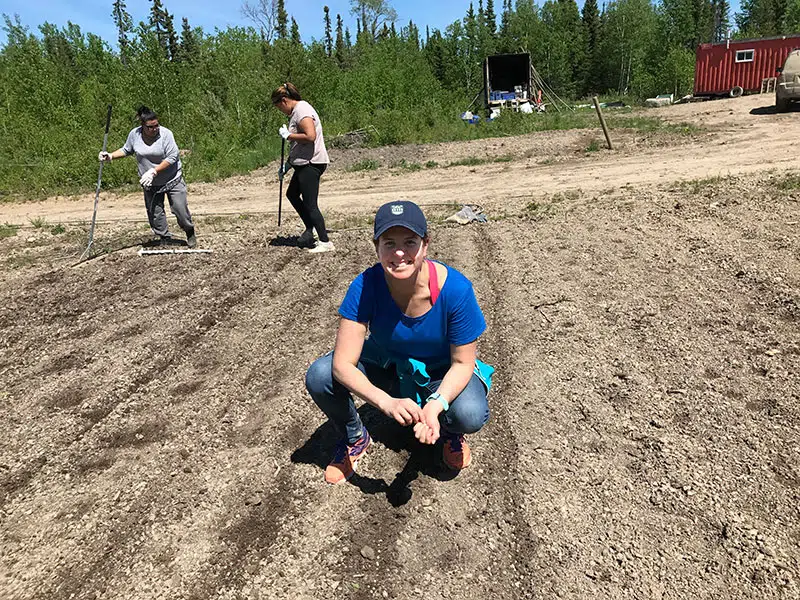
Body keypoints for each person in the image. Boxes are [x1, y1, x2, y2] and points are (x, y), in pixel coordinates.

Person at [305, 200, 494, 485]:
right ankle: (355, 437)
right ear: (376, 246)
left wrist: (436, 405)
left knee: (468, 413)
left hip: (441, 372)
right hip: (391, 367)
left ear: (425, 244)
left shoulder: (456, 290)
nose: (399, 253)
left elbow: (462, 362)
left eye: (410, 242)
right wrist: (386, 402)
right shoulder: (365, 286)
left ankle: (451, 434)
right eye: (389, 243)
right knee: (321, 375)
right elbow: (343, 365)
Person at [98, 106, 197, 248]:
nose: (155, 129)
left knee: (180, 209)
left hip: (172, 179)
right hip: (150, 183)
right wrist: (111, 156)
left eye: (156, 125)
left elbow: (172, 157)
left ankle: (189, 231)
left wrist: (154, 171)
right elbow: (127, 149)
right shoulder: (134, 135)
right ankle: (164, 237)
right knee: (155, 214)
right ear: (143, 126)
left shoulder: (166, 134)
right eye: (151, 127)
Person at [271, 83, 332, 253]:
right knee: (292, 194)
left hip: (311, 163)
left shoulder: (302, 110)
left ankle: (325, 241)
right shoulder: (295, 112)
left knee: (311, 203)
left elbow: (310, 136)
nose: (279, 110)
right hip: (302, 162)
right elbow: (299, 146)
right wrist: (288, 165)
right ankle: (310, 228)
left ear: (284, 101)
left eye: (278, 106)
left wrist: (289, 136)